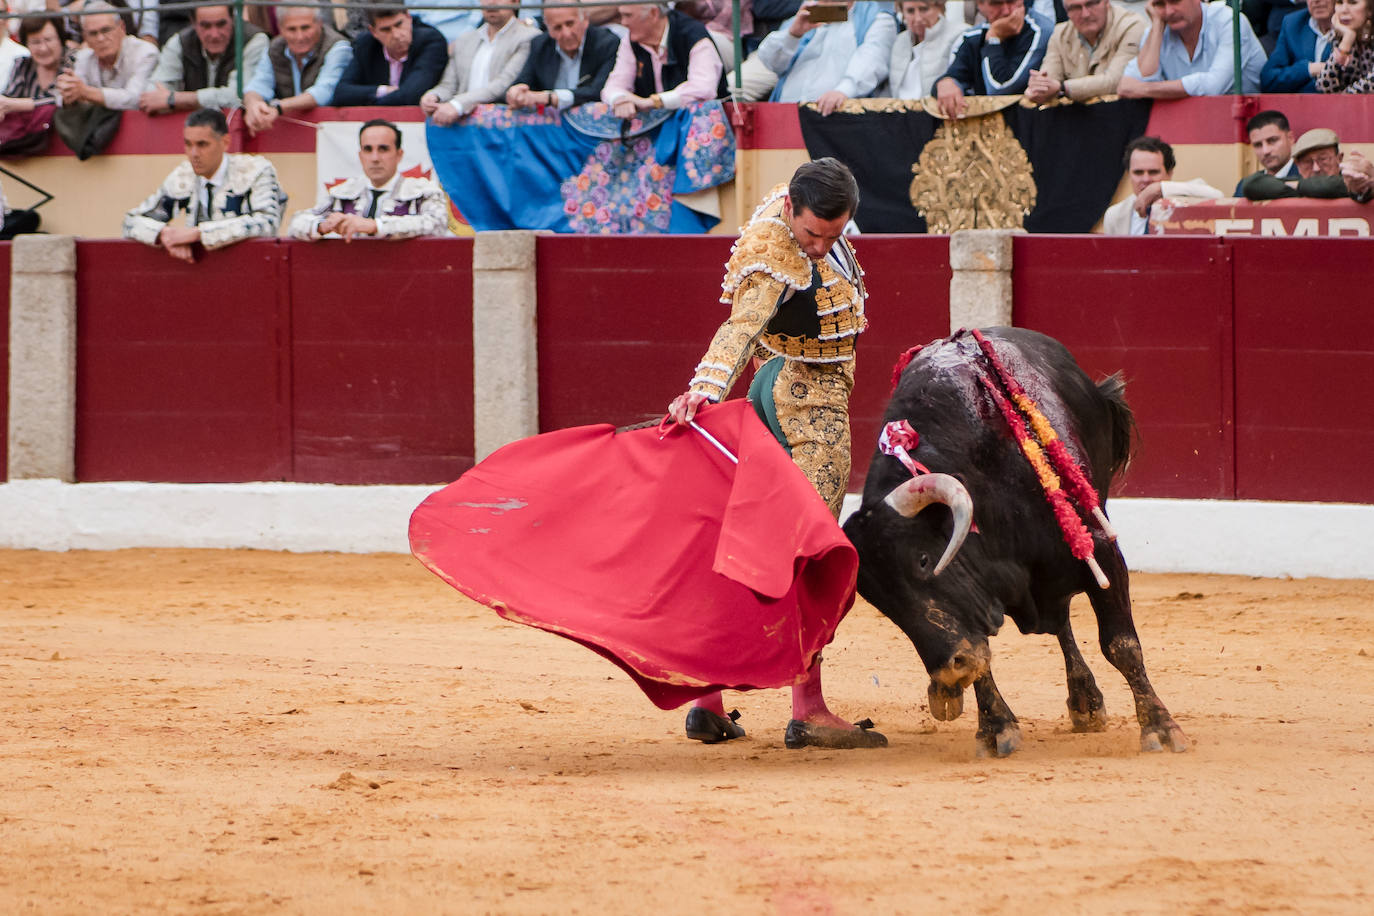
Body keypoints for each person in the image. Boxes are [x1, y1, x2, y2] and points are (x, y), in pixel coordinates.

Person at [666, 158, 885, 751]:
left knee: (757, 547)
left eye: (833, 236)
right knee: (806, 555)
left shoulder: (793, 205)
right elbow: (741, 326)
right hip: (807, 403)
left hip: (776, 384)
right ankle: (808, 708)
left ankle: (707, 699)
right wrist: (705, 389)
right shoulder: (780, 250)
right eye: (812, 233)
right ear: (790, 209)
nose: (818, 248)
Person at [123, 108, 286, 263]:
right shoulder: (183, 176)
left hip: (249, 270)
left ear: (225, 142)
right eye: (188, 144)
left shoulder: (255, 171)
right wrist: (165, 235)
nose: (194, 154)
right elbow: (131, 222)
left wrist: (198, 234)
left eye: (202, 144)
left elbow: (268, 223)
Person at [287, 118, 450, 240]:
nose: (375, 158)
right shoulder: (343, 194)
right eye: (368, 149)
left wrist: (375, 226)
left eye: (383, 149)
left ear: (399, 155)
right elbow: (296, 223)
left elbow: (437, 224)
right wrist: (322, 225)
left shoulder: (423, 192)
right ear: (360, 155)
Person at [755, 0, 897, 114]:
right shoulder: (804, 14)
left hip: (839, 117)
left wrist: (843, 91)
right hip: (787, 115)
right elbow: (771, 63)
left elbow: (872, 59)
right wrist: (793, 35)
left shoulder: (877, 18)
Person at [420, 0, 538, 125]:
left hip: (504, 127)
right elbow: (448, 85)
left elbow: (502, 85)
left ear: (515, 2)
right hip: (462, 126)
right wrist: (434, 96)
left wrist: (458, 104)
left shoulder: (529, 38)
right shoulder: (465, 40)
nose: (491, 3)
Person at [600, 3, 727, 118]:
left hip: (696, 122)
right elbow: (613, 86)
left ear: (653, 13)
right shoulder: (631, 41)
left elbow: (703, 88)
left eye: (628, 15)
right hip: (657, 125)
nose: (623, 22)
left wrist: (652, 102)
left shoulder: (693, 35)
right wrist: (621, 100)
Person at [1118, 0, 1266, 97]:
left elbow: (1213, 87)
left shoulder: (1229, 21)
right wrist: (1157, 27)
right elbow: (1127, 86)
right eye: (1160, 4)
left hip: (1246, 126)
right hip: (1187, 123)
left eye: (1175, 1)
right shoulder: (1156, 30)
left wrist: (1145, 90)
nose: (1169, 11)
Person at [241, 6, 353, 134]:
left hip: (330, 131)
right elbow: (259, 84)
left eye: (305, 28)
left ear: (319, 23)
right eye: (292, 29)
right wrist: (253, 104)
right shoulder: (275, 47)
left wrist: (279, 107)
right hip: (287, 134)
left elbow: (324, 92)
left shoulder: (338, 46)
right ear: (280, 28)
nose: (299, 37)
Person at [139, 5, 269, 115]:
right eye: (206, 26)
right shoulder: (181, 41)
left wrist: (175, 99)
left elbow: (240, 96)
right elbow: (152, 95)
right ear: (193, 23)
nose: (214, 34)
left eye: (221, 24)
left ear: (233, 19)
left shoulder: (254, 40)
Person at [934, 0, 1052, 119]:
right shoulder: (972, 36)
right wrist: (946, 82)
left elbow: (1000, 89)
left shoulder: (1040, 30)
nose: (1006, 11)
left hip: (1030, 123)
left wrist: (993, 39)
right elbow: (954, 77)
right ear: (980, 5)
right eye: (996, 3)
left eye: (1012, 2)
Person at [505, 1, 624, 110]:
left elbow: (599, 91)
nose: (566, 33)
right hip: (551, 127)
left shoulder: (607, 44)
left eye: (570, 24)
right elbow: (524, 82)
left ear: (585, 20)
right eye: (557, 27)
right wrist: (516, 92)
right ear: (548, 28)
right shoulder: (540, 45)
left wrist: (550, 98)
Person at [1025, 0, 1145, 103]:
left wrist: (1063, 88)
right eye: (1075, 8)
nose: (1085, 14)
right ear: (1067, 11)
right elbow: (1048, 79)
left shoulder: (1132, 25)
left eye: (1091, 4)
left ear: (1107, 2)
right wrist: (1038, 87)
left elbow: (1117, 81)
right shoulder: (1060, 34)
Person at [331, 3, 448, 107]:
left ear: (408, 17)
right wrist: (384, 91)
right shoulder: (366, 44)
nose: (396, 35)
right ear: (373, 32)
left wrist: (370, 104)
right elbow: (341, 93)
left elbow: (411, 96)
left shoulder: (431, 41)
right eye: (386, 30)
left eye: (399, 25)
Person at [1101, 135, 1221, 235]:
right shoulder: (1116, 214)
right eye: (1138, 172)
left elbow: (1218, 196)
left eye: (1153, 172)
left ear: (1169, 173)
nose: (1146, 179)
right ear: (1129, 174)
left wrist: (1160, 188)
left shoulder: (1186, 198)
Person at [56, 1, 158, 111]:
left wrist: (86, 93)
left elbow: (135, 99)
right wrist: (68, 91)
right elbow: (60, 97)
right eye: (93, 33)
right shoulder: (84, 56)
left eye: (106, 30)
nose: (100, 38)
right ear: (85, 37)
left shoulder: (145, 52)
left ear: (122, 28)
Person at [1241, 127, 1364, 198]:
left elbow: (1338, 185)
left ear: (1339, 158)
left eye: (1323, 159)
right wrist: (1303, 187)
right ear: (1297, 164)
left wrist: (1297, 187)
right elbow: (1251, 184)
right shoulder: (1296, 182)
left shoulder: (1354, 181)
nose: (1316, 168)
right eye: (1307, 162)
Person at [885, 0, 963, 99]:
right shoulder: (899, 41)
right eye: (910, 11)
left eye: (924, 9)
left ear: (939, 7)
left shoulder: (959, 35)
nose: (918, 18)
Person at [1260, 0, 1336, 92]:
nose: (1316, 1)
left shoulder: (1351, 26)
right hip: (1298, 104)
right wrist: (1309, 69)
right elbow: (1268, 80)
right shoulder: (1293, 24)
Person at [1236, 109, 1298, 197]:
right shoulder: (1243, 186)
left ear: (1290, 138)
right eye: (1258, 145)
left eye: (1272, 140)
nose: (1266, 151)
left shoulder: (1307, 178)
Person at [1316, 0, 1374, 92]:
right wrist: (1347, 39)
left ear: (1369, 10)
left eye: (1353, 3)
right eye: (1339, 2)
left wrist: (1340, 99)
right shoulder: (1338, 37)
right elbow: (1324, 86)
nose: (1344, 10)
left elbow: (1370, 86)